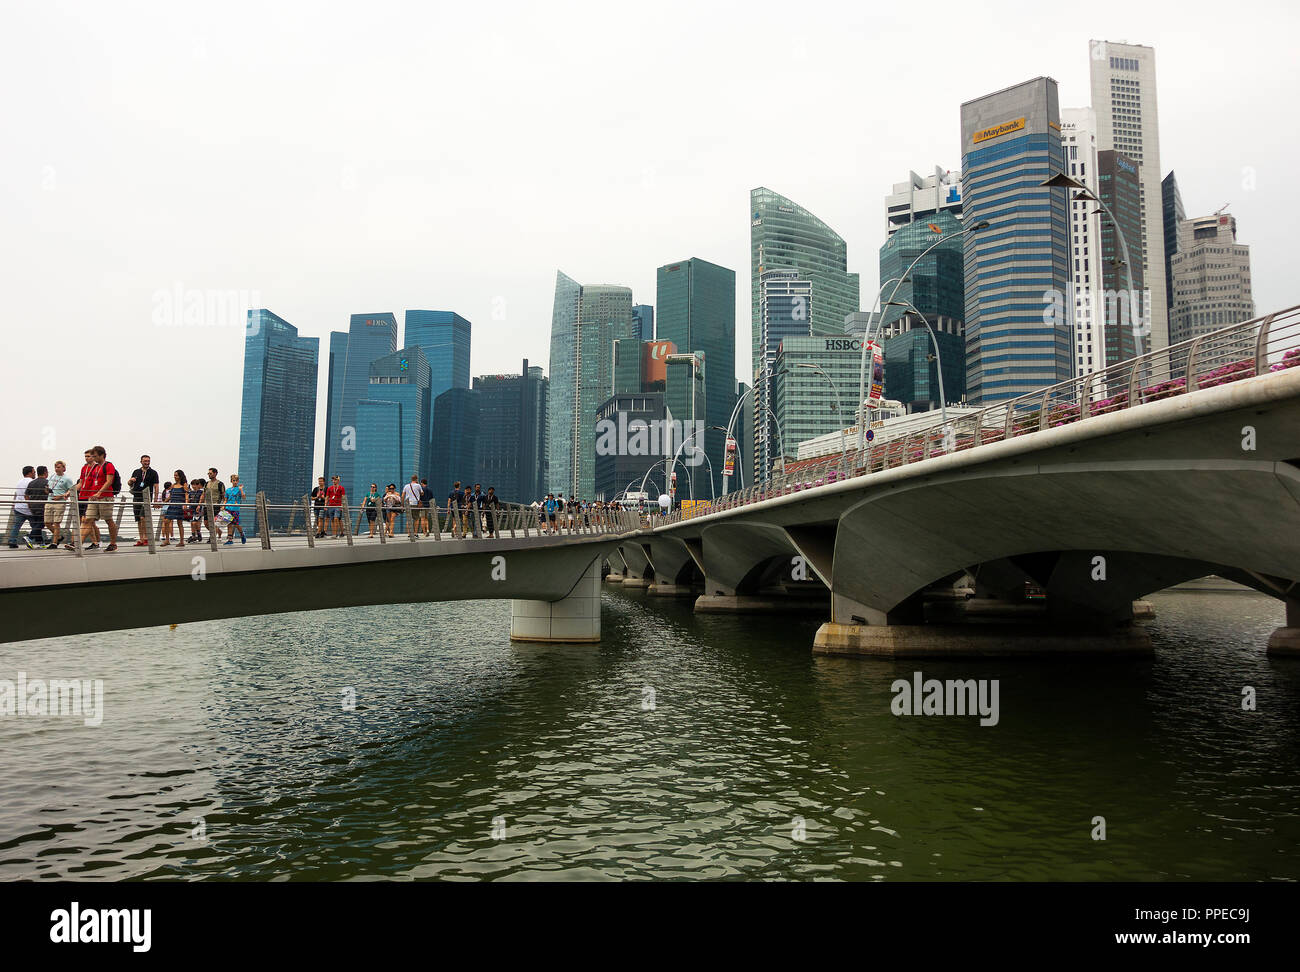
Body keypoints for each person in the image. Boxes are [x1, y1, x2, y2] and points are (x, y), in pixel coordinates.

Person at [71, 446, 120, 552]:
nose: (93, 458)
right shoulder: (95, 467)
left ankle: (113, 543)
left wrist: (99, 492)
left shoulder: (108, 465)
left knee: (108, 520)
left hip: (105, 497)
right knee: (87, 519)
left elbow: (109, 481)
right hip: (93, 497)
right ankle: (77, 544)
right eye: (92, 456)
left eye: (95, 456)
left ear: (102, 455)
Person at [128, 455, 160, 547]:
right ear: (141, 461)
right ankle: (141, 538)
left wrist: (156, 500)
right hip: (136, 496)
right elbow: (129, 483)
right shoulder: (136, 471)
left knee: (143, 517)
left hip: (146, 498)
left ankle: (146, 538)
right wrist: (130, 480)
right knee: (138, 519)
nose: (147, 462)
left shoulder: (153, 472)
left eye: (148, 461)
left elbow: (156, 486)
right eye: (145, 461)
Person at [43, 460, 74, 549]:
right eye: (56, 467)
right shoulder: (52, 476)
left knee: (56, 523)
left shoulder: (67, 479)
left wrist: (60, 496)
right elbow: (48, 486)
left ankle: (54, 542)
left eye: (59, 467)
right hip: (49, 500)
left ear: (64, 468)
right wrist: (46, 490)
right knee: (47, 522)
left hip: (59, 502)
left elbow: (70, 490)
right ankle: (59, 537)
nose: (57, 469)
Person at [8, 466, 39, 549]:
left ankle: (12, 541)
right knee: (36, 526)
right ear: (29, 473)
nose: (35, 473)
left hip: (18, 507)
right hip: (29, 509)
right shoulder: (32, 482)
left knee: (16, 526)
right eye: (33, 472)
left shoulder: (19, 482)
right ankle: (36, 540)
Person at [159, 470, 187, 546]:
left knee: (179, 523)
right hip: (172, 505)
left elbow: (186, 494)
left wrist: (185, 504)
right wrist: (164, 501)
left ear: (180, 476)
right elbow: (171, 496)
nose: (175, 477)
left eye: (176, 475)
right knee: (166, 521)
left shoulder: (184, 484)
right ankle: (167, 540)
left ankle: (181, 541)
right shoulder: (173, 485)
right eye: (174, 475)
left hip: (179, 505)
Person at [203, 468, 227, 543]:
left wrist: (223, 505)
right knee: (206, 522)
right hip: (207, 505)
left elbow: (224, 496)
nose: (209, 475)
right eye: (208, 473)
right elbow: (203, 494)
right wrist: (199, 504)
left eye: (210, 473)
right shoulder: (207, 483)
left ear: (215, 473)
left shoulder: (220, 484)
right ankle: (213, 534)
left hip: (216, 505)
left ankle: (212, 536)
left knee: (214, 522)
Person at [223, 472, 247, 545]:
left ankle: (242, 534)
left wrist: (241, 489)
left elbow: (244, 497)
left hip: (235, 509)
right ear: (231, 481)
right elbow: (225, 500)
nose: (235, 482)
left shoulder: (239, 489)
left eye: (236, 480)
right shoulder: (227, 490)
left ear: (238, 481)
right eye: (234, 480)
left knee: (236, 523)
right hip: (228, 508)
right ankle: (230, 539)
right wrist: (223, 506)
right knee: (229, 523)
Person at [186, 479, 205, 543]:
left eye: (195, 485)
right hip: (191, 508)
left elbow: (201, 499)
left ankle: (198, 534)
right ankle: (194, 535)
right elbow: (188, 500)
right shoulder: (190, 492)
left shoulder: (200, 492)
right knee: (192, 522)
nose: (193, 486)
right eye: (192, 485)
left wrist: (199, 505)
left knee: (195, 522)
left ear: (198, 485)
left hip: (198, 509)